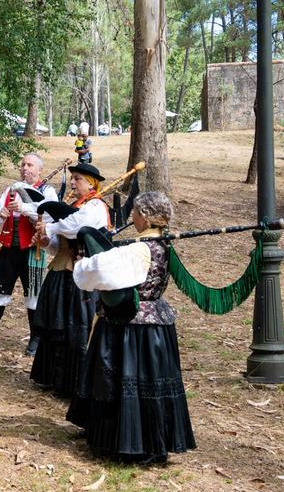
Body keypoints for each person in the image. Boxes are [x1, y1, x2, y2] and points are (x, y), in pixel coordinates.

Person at [65, 192, 195, 464]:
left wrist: (81, 264)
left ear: (145, 216)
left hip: (131, 325)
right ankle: (148, 440)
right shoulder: (162, 244)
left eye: (135, 211)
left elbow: (102, 272)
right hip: (156, 322)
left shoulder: (140, 249)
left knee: (125, 381)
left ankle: (130, 442)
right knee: (148, 383)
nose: (131, 216)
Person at [29, 163, 110, 397]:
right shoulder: (75, 206)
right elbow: (61, 247)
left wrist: (50, 226)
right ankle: (53, 378)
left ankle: (73, 385)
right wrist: (45, 241)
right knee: (55, 326)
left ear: (91, 183)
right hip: (59, 273)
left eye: (78, 179)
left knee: (74, 329)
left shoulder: (95, 206)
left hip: (80, 278)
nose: (73, 183)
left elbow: (76, 229)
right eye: (72, 179)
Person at [0, 153, 57, 354]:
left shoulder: (47, 191)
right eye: (23, 164)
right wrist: (0, 214)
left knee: (33, 294)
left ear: (39, 170)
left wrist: (25, 208)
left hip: (34, 251)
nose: (25, 168)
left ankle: (35, 340)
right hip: (8, 250)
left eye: (30, 165)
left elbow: (50, 217)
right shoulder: (11, 190)